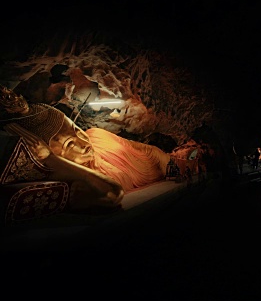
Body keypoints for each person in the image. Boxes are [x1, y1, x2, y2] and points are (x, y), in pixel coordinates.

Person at [1, 85, 170, 212]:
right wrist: (49, 158)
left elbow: (154, 154)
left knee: (96, 134)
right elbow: (111, 194)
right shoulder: (64, 175)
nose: (83, 142)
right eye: (70, 144)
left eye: (76, 129)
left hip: (130, 155)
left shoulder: (95, 137)